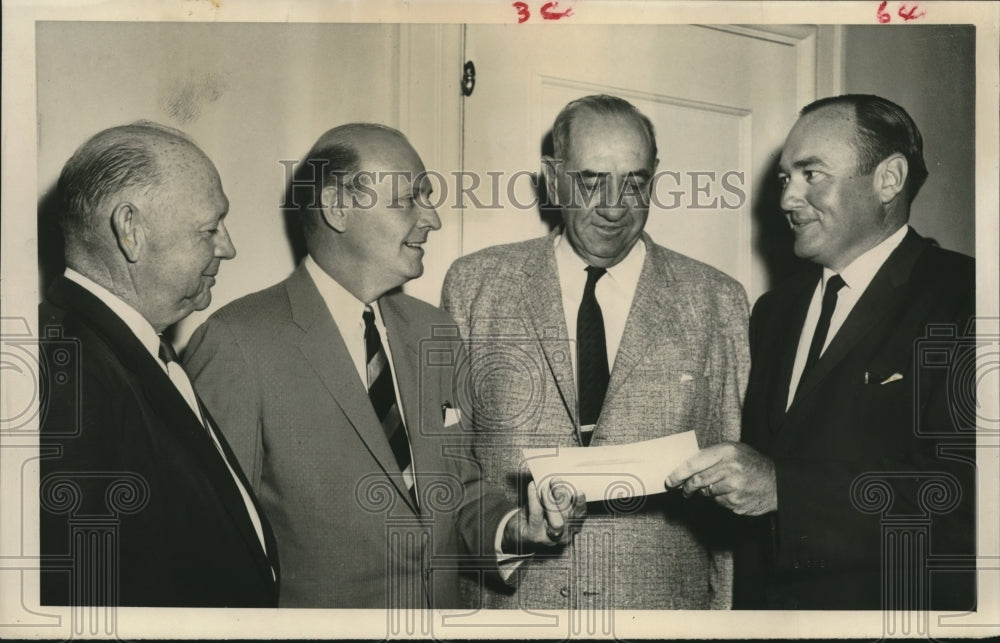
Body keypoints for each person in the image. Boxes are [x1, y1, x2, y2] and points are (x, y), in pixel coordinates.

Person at [184, 123, 584, 609]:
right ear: (337, 209)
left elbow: (459, 490)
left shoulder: (434, 330)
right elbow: (216, 552)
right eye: (407, 199)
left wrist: (516, 527)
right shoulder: (236, 343)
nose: (432, 218)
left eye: (428, 197)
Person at [666, 94, 977, 610]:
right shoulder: (773, 311)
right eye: (786, 178)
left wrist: (784, 490)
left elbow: (969, 497)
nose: (788, 199)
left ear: (889, 179)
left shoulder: (968, 295)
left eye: (812, 174)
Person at [441, 95, 750, 609]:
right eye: (590, 181)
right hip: (513, 614)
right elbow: (449, 470)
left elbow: (728, 497)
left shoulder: (717, 300)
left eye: (635, 182)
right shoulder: (476, 285)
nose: (613, 207)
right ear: (552, 178)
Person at [39, 122, 278, 607]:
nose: (227, 246)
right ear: (131, 230)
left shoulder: (125, 349)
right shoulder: (68, 373)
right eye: (209, 228)